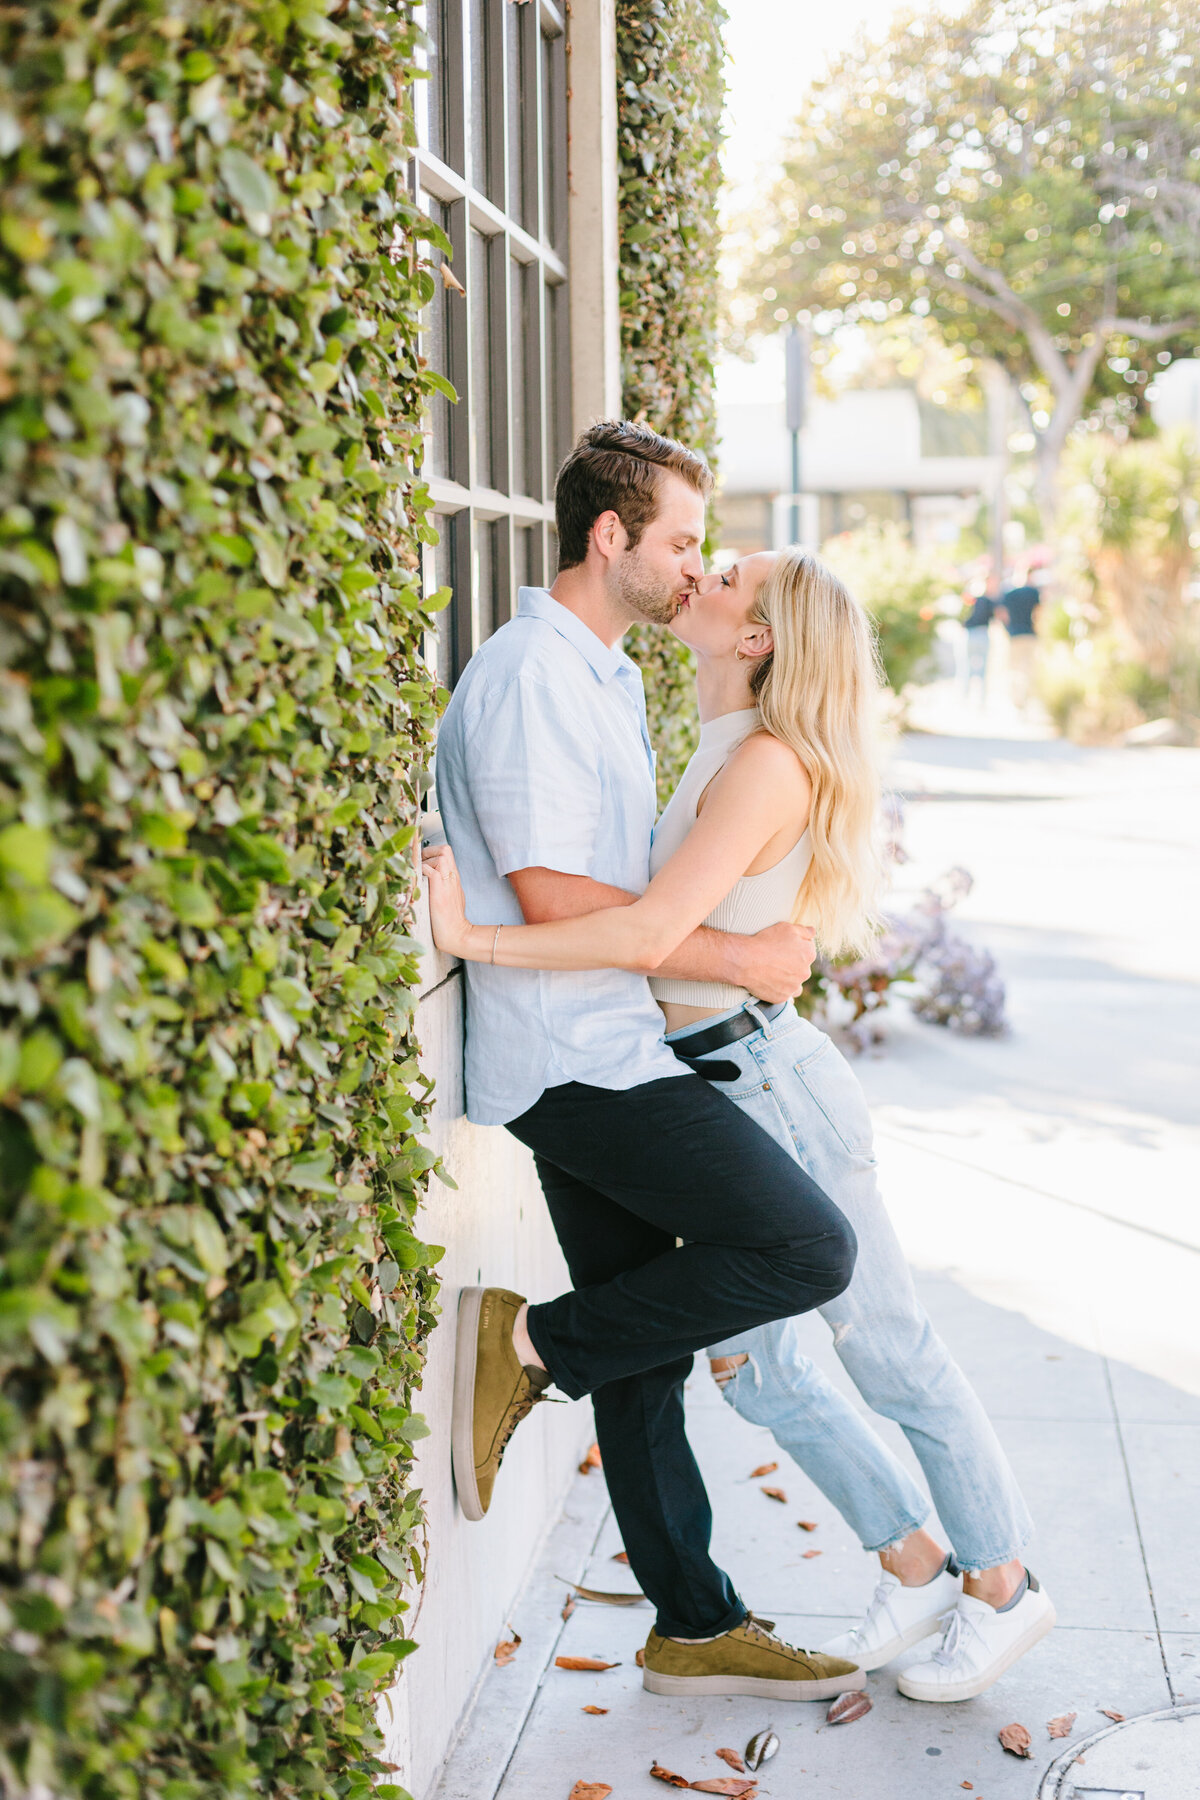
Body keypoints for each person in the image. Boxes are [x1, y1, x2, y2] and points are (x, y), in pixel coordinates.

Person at [427, 519, 1056, 1706]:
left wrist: (475, 938)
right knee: (764, 1374)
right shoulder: (720, 742)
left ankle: (1003, 1587)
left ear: (757, 633)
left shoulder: (763, 761)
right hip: (705, 1073)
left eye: (726, 574)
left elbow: (652, 936)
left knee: (887, 1346)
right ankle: (914, 1562)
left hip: (764, 1076)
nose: (702, 573)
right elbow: (665, 928)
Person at [434, 420, 864, 1704]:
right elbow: (554, 894)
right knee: (805, 1247)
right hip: (576, 1060)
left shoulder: (607, 676)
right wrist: (729, 961)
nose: (696, 565)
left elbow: (618, 888)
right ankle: (538, 1346)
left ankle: (691, 1621)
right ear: (609, 536)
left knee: (653, 1351)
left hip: (611, 1038)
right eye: (680, 541)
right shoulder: (529, 679)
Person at [998, 571, 1042, 710]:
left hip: (1014, 636)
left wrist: (1007, 629)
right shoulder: (1034, 593)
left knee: (1014, 670)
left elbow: (1002, 614)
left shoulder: (1009, 594)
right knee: (1028, 670)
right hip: (1030, 635)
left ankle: (1017, 700)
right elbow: (1039, 613)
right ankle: (1025, 700)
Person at [959, 584, 993, 705]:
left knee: (966, 666)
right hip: (983, 634)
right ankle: (981, 700)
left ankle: (965, 697)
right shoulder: (987, 601)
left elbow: (960, 619)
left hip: (970, 634)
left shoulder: (967, 601)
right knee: (983, 669)